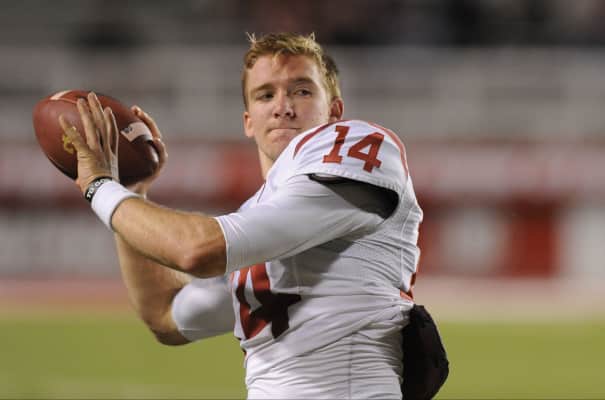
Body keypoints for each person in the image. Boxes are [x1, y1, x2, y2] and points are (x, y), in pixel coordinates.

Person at [59, 32, 430, 399]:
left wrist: (101, 188)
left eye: (302, 91)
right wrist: (132, 190)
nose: (283, 107)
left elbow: (197, 250)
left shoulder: (357, 146)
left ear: (334, 111)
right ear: (249, 121)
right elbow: (166, 315)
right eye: (266, 95)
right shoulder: (254, 221)